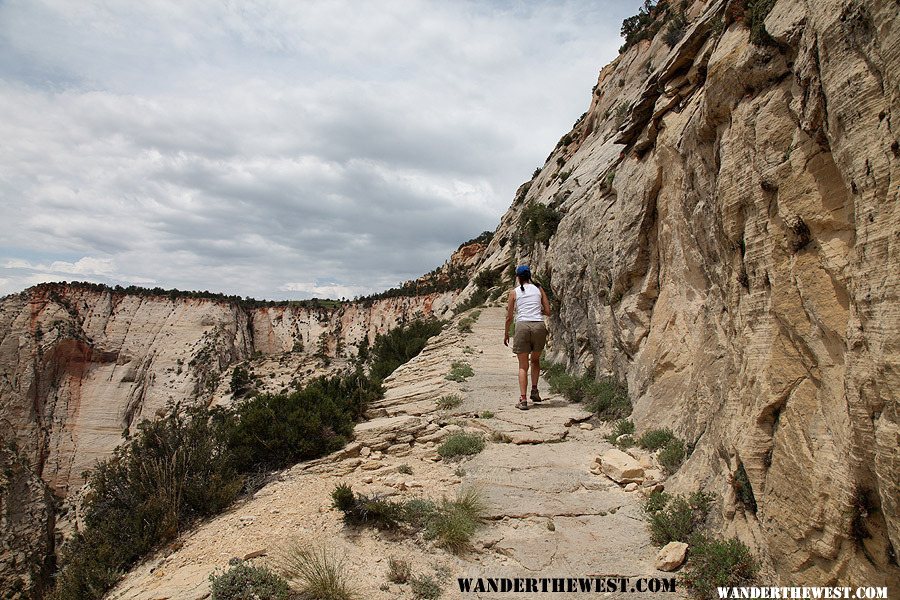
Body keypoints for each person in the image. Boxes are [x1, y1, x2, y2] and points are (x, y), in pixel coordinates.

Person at [503, 265, 551, 410]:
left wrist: (506, 333)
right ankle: (535, 391)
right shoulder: (539, 289)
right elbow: (548, 311)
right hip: (538, 326)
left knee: (523, 366)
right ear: (529, 276)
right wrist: (536, 311)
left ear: (517, 277)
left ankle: (523, 400)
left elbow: (509, 317)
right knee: (535, 360)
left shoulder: (514, 292)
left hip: (522, 326)